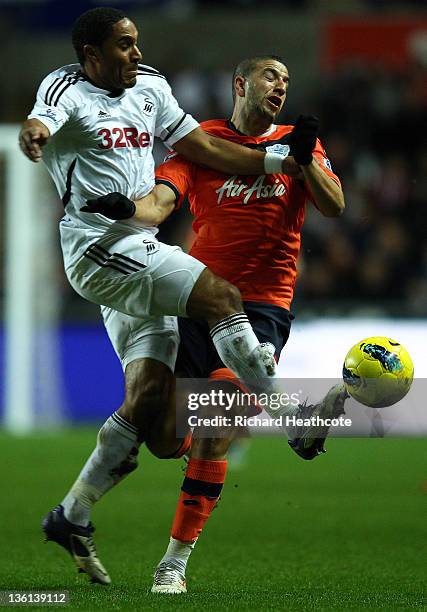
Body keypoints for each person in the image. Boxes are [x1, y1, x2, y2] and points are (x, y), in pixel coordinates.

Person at [19, 8, 310, 586]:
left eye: (136, 42)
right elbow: (44, 118)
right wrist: (36, 132)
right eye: (123, 45)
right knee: (224, 296)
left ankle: (71, 514)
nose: (135, 53)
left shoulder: (150, 86)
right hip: (98, 249)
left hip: (137, 245)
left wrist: (280, 159)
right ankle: (287, 413)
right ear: (91, 54)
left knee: (155, 412)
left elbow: (203, 147)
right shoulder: (66, 87)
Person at [86, 55, 348, 593]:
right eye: (271, 75)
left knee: (215, 427)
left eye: (287, 78)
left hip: (261, 311)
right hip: (196, 301)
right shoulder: (204, 142)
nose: (281, 84)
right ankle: (293, 421)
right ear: (240, 84)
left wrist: (305, 164)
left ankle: (172, 565)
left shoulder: (298, 143)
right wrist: (125, 210)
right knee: (163, 438)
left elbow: (336, 205)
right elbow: (163, 200)